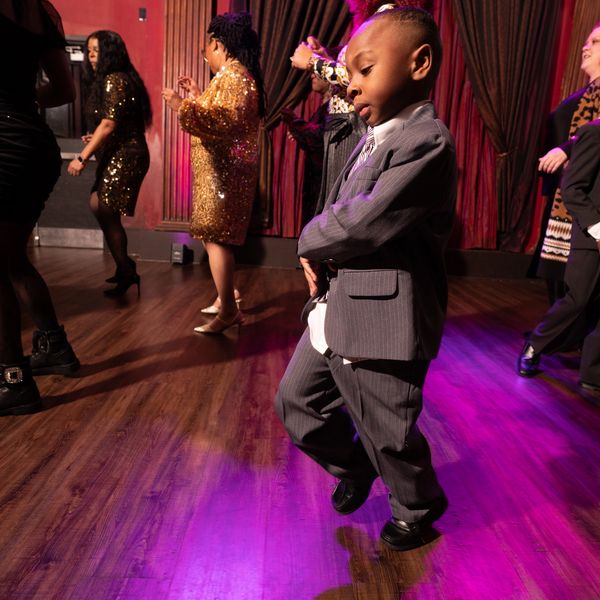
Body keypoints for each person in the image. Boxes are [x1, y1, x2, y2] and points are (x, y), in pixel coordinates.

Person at [275, 8, 457, 551]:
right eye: (349, 73)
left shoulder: (428, 141)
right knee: (297, 405)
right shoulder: (370, 134)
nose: (350, 85)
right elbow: (340, 201)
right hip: (339, 302)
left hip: (386, 316)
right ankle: (356, 467)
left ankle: (418, 505)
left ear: (419, 63)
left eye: (364, 69)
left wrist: (308, 239)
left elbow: (367, 219)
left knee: (389, 429)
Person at [162, 12, 265, 334]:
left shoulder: (234, 77)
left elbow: (222, 122)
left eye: (206, 47)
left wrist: (182, 105)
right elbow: (218, 113)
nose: (204, 54)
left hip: (224, 173)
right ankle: (227, 296)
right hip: (221, 171)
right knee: (214, 236)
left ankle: (229, 311)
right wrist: (196, 95)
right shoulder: (230, 78)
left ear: (218, 45)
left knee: (216, 237)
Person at [0, 0, 79, 416]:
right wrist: (19, 96)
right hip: (32, 142)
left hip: (4, 144)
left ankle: (11, 378)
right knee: (11, 258)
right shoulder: (37, 10)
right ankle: (53, 346)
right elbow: (63, 90)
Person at [290, 1, 432, 216]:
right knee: (335, 198)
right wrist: (326, 57)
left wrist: (314, 62)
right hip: (342, 123)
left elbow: (369, 77)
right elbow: (358, 74)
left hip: (352, 123)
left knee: (343, 202)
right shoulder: (375, 18)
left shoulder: (387, 16)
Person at [68, 30, 152, 297]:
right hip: (122, 150)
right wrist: (96, 138)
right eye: (89, 50)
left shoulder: (114, 79)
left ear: (110, 52)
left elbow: (109, 123)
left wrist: (82, 156)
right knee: (100, 206)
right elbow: (114, 125)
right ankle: (125, 267)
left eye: (97, 50)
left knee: (103, 206)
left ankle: (126, 270)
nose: (91, 56)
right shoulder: (115, 79)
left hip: (126, 155)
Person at [518, 120, 600, 391]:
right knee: (579, 299)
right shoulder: (594, 131)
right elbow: (573, 188)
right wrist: (597, 229)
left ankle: (593, 373)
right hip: (593, 233)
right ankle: (535, 345)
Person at [535, 23, 600, 303]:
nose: (586, 47)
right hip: (565, 192)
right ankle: (558, 331)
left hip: (586, 196)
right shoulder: (586, 95)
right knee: (558, 275)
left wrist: (567, 149)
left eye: (595, 42)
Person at [280, 72, 331, 226]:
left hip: (323, 179)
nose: (312, 77)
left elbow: (318, 138)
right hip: (315, 177)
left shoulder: (334, 106)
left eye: (316, 73)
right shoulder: (324, 106)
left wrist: (294, 121)